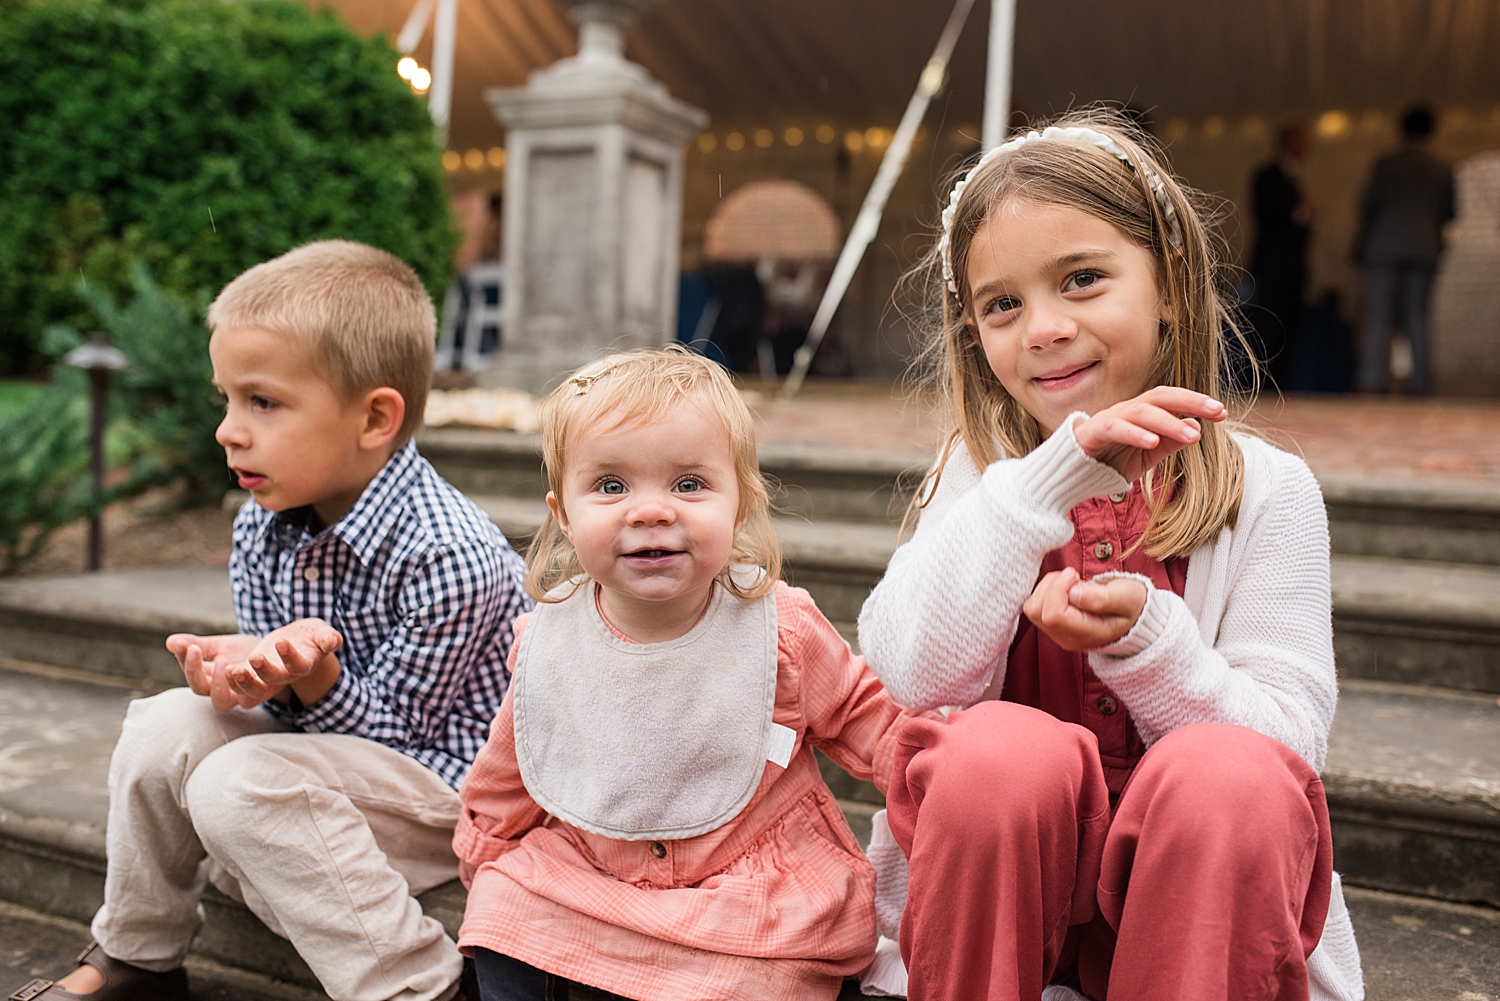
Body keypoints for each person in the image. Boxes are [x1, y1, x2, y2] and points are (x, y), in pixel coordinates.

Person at [855, 114, 1364, 1000]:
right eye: (1002, 303)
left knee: (1231, 776)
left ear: (1169, 287)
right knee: (995, 756)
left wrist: (1150, 640)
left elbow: (1289, 752)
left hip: (1202, 919)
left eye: (1082, 279)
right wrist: (1041, 483)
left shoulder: (1270, 491)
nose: (1043, 328)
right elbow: (909, 667)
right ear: (973, 329)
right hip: (1004, 912)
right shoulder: (984, 477)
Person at [15, 241, 532, 1001]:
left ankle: (422, 986)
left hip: (451, 792)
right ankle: (137, 958)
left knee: (236, 785)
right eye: (226, 398)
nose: (228, 428)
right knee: (162, 727)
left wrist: (314, 677)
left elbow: (403, 737)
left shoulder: (450, 553)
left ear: (375, 418)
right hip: (333, 761)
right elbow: (273, 705)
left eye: (263, 402)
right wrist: (244, 675)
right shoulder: (265, 516)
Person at [453, 347, 926, 1000]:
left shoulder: (777, 627)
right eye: (611, 485)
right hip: (596, 861)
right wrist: (486, 844)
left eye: (688, 483)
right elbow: (514, 759)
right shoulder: (551, 637)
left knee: (767, 964)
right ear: (563, 514)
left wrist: (933, 771)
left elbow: (863, 713)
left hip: (746, 875)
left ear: (739, 505)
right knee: (504, 907)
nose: (651, 510)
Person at [1355, 105, 1455, 394]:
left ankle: (1372, 379)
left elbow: (1367, 205)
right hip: (1423, 250)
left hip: (1384, 248)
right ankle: (1421, 381)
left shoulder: (1386, 164)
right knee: (1417, 317)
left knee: (1377, 316)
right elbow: (1449, 212)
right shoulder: (1441, 167)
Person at [1250, 124, 1314, 387]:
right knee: (1269, 322)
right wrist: (1303, 214)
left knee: (1288, 324)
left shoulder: (1292, 174)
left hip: (1292, 263)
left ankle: (1279, 381)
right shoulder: (1268, 174)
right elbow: (1268, 215)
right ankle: (1263, 383)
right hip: (1274, 263)